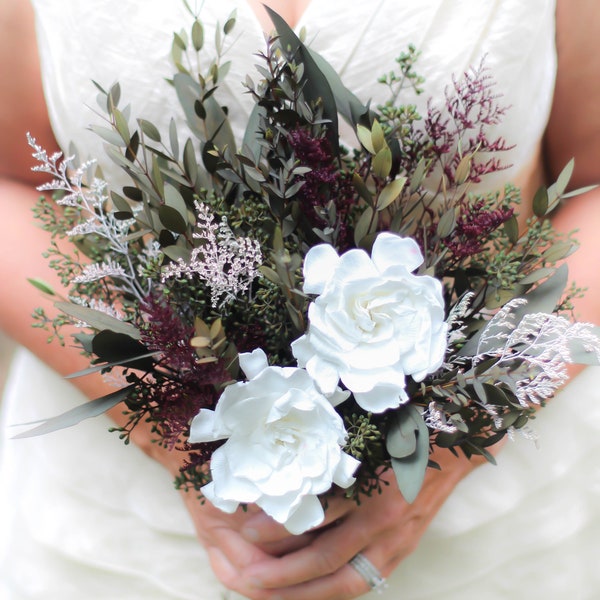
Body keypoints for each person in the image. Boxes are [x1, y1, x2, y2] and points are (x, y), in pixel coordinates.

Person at [1, 1, 599, 598]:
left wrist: (453, 443)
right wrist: (196, 441)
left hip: (480, 532)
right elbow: (11, 186)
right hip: (122, 534)